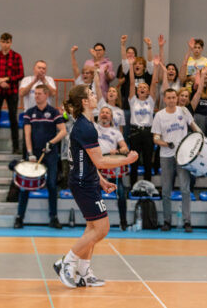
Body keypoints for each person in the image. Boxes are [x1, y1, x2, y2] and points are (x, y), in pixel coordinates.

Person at [53, 84, 138, 288]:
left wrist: (100, 179)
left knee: (92, 228)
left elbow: (89, 159)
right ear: (84, 102)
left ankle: (83, 272)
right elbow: (100, 161)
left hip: (87, 181)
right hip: (83, 184)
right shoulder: (85, 127)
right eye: (91, 94)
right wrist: (127, 160)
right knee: (102, 229)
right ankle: (66, 262)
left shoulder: (86, 124)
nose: (95, 97)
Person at [14, 85, 66, 229]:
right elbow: (27, 134)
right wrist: (30, 153)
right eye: (35, 94)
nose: (36, 96)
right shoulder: (29, 113)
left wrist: (51, 142)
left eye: (39, 93)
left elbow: (63, 131)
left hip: (51, 153)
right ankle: (19, 217)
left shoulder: (54, 112)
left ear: (46, 95)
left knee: (51, 184)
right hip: (33, 154)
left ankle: (54, 217)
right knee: (25, 186)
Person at [152, 88, 201, 232]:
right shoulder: (159, 116)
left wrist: (201, 140)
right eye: (169, 98)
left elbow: (195, 127)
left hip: (183, 156)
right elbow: (155, 138)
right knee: (166, 190)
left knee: (185, 189)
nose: (172, 100)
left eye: (174, 97)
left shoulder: (184, 111)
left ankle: (187, 221)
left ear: (177, 98)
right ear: (165, 99)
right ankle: (167, 221)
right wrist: (166, 143)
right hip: (166, 156)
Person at [0, 33, 24, 154]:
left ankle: (16, 148)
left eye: (7, 42)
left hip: (12, 91)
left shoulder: (17, 56)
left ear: (11, 43)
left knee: (13, 118)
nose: (5, 44)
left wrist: (6, 79)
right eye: (3, 42)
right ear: (0, 42)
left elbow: (20, 74)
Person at [95, 106, 130, 230]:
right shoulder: (93, 128)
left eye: (107, 113)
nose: (104, 114)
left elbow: (125, 148)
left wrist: (118, 150)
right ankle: (96, 222)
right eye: (102, 112)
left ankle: (123, 221)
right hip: (97, 167)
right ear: (99, 115)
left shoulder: (116, 132)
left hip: (111, 167)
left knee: (121, 193)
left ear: (111, 117)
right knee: (95, 195)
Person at [128, 56, 159, 187]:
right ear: (137, 90)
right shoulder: (133, 100)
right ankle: (133, 187)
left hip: (147, 133)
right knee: (134, 162)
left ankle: (147, 187)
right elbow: (131, 82)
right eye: (140, 87)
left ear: (147, 92)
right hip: (135, 132)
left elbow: (153, 83)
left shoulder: (150, 101)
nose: (142, 88)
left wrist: (156, 67)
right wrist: (130, 65)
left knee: (147, 162)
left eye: (144, 87)